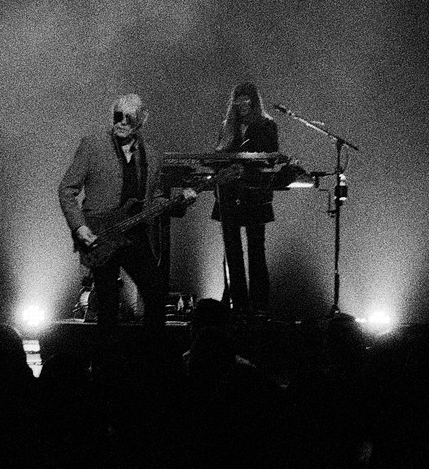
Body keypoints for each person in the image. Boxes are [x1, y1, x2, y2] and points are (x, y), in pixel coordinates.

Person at [59, 94, 196, 346]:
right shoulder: (93, 145)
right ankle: (105, 367)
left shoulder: (152, 156)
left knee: (155, 294)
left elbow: (153, 200)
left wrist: (179, 203)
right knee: (108, 306)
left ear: (141, 121)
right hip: (100, 235)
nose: (121, 122)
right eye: (117, 116)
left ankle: (147, 360)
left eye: (128, 118)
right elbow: (67, 189)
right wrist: (79, 227)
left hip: (134, 234)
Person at [211, 82, 278, 315]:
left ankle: (259, 305)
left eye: (245, 98)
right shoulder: (227, 127)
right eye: (237, 99)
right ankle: (238, 304)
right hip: (229, 194)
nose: (241, 103)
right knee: (231, 250)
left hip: (254, 194)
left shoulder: (267, 126)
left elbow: (270, 158)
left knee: (256, 249)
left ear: (254, 101)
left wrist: (246, 169)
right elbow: (218, 157)